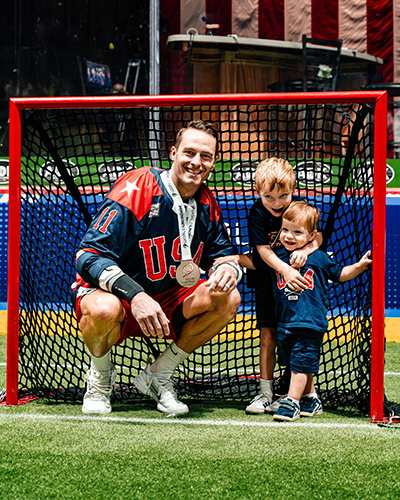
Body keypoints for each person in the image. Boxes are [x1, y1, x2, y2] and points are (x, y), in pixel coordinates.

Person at [72, 120, 242, 416]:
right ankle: (100, 379)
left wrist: (228, 269)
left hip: (169, 299)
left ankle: (158, 375)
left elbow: (225, 254)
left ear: (214, 162)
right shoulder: (138, 187)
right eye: (189, 152)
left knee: (229, 299)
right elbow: (88, 256)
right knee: (101, 309)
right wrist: (136, 296)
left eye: (206, 156)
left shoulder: (206, 200)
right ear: (173, 153)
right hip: (121, 299)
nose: (196, 162)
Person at [215, 157, 322, 414]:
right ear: (258, 192)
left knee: (298, 336)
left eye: (283, 196)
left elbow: (318, 235)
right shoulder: (257, 213)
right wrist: (284, 268)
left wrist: (307, 250)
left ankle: (302, 394)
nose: (277, 203)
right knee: (268, 336)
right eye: (269, 197)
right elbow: (263, 252)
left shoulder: (298, 209)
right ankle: (266, 392)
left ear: (293, 189)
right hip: (268, 282)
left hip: (296, 286)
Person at [270, 201, 372, 421]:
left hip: (309, 322)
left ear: (311, 236)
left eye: (298, 232)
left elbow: (340, 273)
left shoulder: (318, 257)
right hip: (285, 322)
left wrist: (360, 266)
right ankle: (311, 399)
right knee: (297, 363)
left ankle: (292, 402)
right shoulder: (277, 257)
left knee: (301, 363)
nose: (289, 236)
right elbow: (257, 260)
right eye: (285, 229)